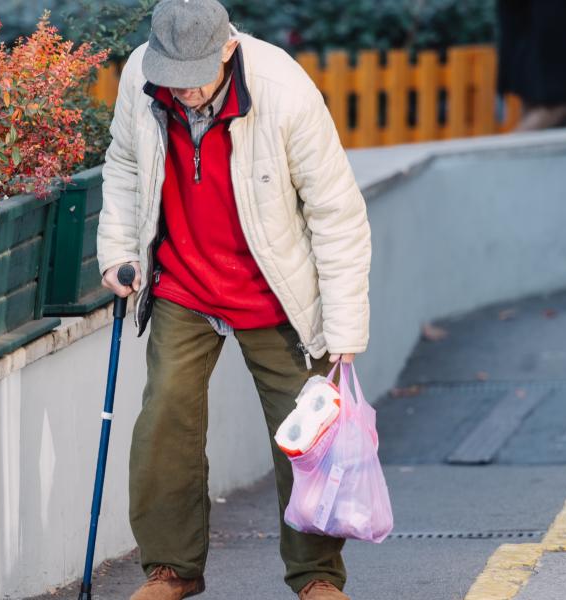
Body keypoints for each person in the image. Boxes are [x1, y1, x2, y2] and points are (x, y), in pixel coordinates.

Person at [96, 1, 372, 598]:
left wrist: (345, 331)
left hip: (275, 294)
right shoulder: (144, 77)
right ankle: (169, 569)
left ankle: (317, 576)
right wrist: (118, 251)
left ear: (227, 49)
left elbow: (337, 213)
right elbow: (122, 164)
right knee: (164, 420)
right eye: (172, 75)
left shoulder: (283, 90)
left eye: (194, 76)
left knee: (307, 438)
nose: (184, 92)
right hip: (183, 282)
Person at [496, 0, 566, 130]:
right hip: (548, 34)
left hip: (532, 38)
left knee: (538, 105)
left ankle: (510, 148)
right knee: (563, 101)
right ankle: (506, 150)